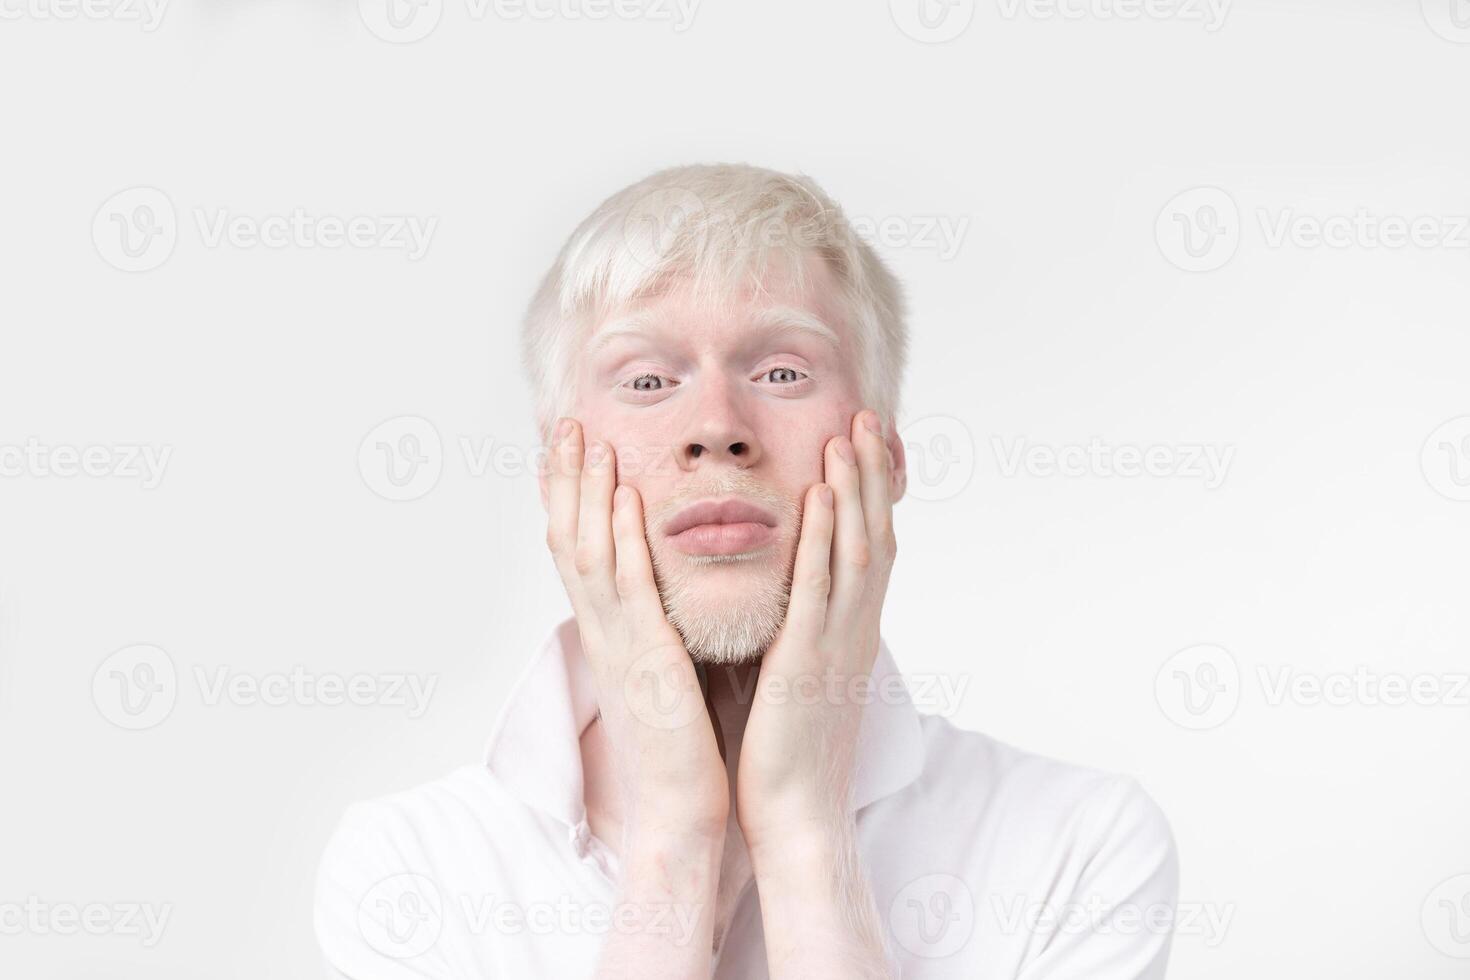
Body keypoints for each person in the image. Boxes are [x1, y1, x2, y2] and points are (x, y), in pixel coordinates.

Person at [314, 163, 1179, 979]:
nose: (718, 427)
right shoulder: (407, 874)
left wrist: (807, 836)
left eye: (781, 371)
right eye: (649, 380)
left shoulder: (1077, 849)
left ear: (888, 457)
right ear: (555, 480)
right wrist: (675, 837)